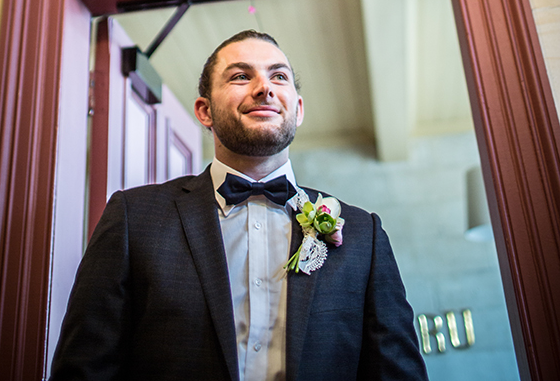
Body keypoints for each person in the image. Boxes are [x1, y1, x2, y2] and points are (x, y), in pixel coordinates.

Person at [49, 29, 428, 381]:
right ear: (205, 111)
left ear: (298, 109)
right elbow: (83, 369)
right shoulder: (135, 218)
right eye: (240, 77)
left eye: (279, 77)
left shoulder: (364, 235)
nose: (264, 88)